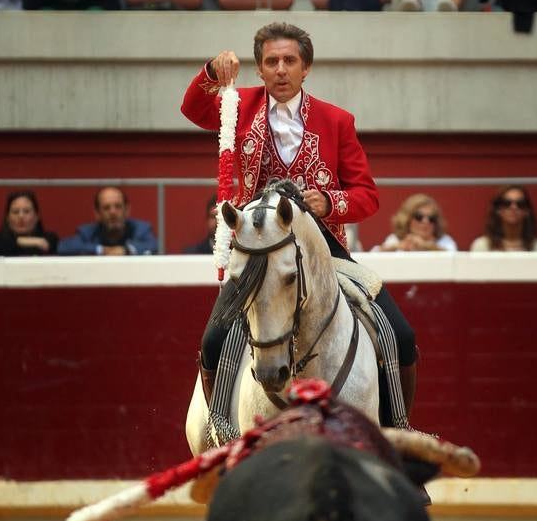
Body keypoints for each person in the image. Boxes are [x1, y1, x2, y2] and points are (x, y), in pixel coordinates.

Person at [181, 21, 419, 419]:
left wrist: (329, 203)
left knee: (401, 334)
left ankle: (397, 432)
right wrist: (210, 72)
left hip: (324, 250)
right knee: (214, 339)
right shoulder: (238, 106)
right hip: (258, 249)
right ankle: (222, 431)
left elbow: (368, 195)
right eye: (271, 61)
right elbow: (192, 108)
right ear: (259, 69)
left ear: (305, 68)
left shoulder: (337, 120)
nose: (280, 69)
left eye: (289, 60)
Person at [58, 186, 158, 255]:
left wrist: (126, 251)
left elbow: (154, 245)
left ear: (127, 210)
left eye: (118, 206)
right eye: (106, 208)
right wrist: (101, 250)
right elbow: (63, 247)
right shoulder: (87, 232)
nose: (113, 212)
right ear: (97, 213)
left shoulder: (141, 229)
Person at [0, 190, 58, 256]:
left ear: (36, 217)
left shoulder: (48, 238)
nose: (21, 216)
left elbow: (48, 246)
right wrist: (23, 241)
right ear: (7, 217)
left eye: (26, 211)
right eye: (15, 212)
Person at [469, 185, 537, 252]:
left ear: (526, 211)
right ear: (498, 210)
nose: (513, 207)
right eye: (506, 203)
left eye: (520, 204)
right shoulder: (482, 247)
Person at [372, 193, 457, 251]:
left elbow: (454, 255)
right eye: (419, 217)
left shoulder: (444, 240)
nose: (425, 221)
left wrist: (428, 246)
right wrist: (399, 246)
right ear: (407, 219)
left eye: (431, 218)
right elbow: (373, 254)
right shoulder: (395, 239)